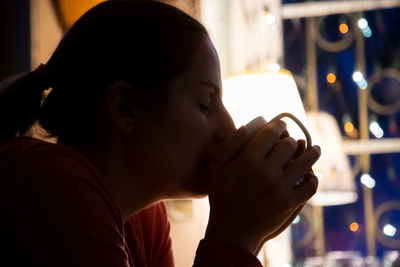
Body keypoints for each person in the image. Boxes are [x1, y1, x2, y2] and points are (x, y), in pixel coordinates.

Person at [0, 0, 321, 266]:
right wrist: (237, 237)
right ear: (125, 107)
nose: (229, 127)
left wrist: (252, 234)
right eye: (205, 103)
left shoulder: (144, 222)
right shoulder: (52, 187)